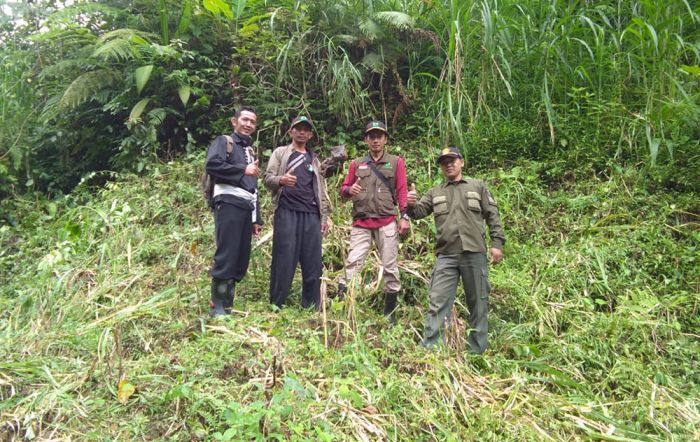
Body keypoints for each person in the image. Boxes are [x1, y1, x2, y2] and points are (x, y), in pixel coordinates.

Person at [407, 146, 505, 354]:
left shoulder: (477, 186)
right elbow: (418, 212)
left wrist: (497, 243)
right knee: (438, 301)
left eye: (452, 160)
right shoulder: (436, 192)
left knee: (478, 304)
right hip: (447, 255)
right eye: (444, 162)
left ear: (461, 162)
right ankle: (431, 350)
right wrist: (410, 205)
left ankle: (476, 352)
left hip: (474, 253)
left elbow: (492, 216)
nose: (449, 164)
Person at [338, 120, 409, 321]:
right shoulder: (356, 163)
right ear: (366, 140)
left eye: (380, 136)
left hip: (387, 221)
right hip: (361, 222)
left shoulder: (396, 162)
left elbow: (402, 191)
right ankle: (344, 307)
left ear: (385, 139)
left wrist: (404, 216)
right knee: (353, 263)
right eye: (372, 136)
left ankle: (390, 314)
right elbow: (343, 190)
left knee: (390, 266)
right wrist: (349, 190)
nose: (376, 140)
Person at [264, 116, 330, 310]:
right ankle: (277, 302)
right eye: (298, 129)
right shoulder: (281, 153)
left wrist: (324, 217)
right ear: (290, 131)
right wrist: (281, 180)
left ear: (310, 135)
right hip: (286, 211)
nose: (301, 132)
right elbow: (267, 178)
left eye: (305, 129)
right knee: (284, 256)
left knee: (313, 259)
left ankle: (311, 304)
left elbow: (321, 190)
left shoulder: (314, 159)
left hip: (311, 214)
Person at [205, 106, 262, 317]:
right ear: (234, 121)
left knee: (241, 257)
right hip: (228, 202)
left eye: (252, 122)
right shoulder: (224, 142)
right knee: (227, 253)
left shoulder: (250, 150)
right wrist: (242, 169)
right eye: (245, 119)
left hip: (246, 207)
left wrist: (257, 218)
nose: (248, 124)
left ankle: (227, 304)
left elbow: (253, 187)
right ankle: (218, 308)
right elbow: (212, 164)